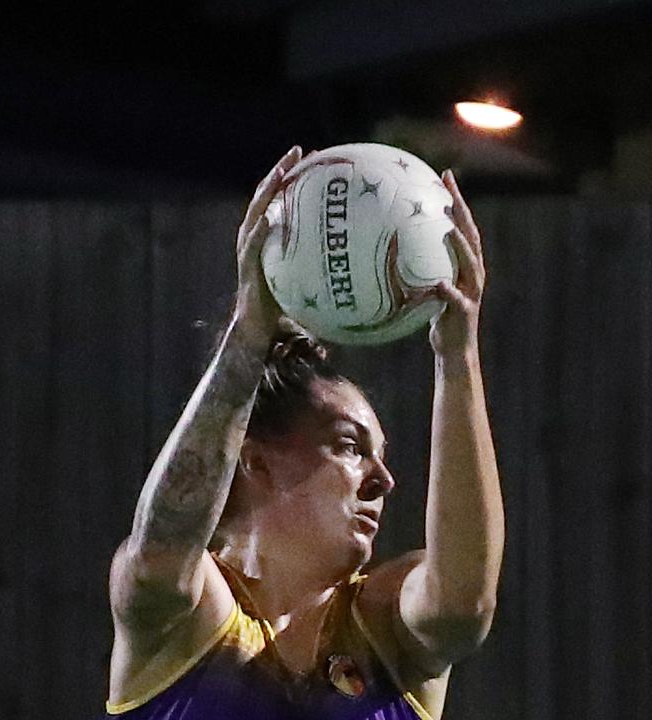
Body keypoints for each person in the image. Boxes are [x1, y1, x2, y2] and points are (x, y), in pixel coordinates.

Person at [104, 146, 504, 720]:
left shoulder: (387, 632)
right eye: (349, 446)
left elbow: (464, 603)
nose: (384, 481)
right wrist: (247, 337)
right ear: (256, 462)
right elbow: (158, 556)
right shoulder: (190, 620)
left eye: (379, 456)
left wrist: (458, 353)